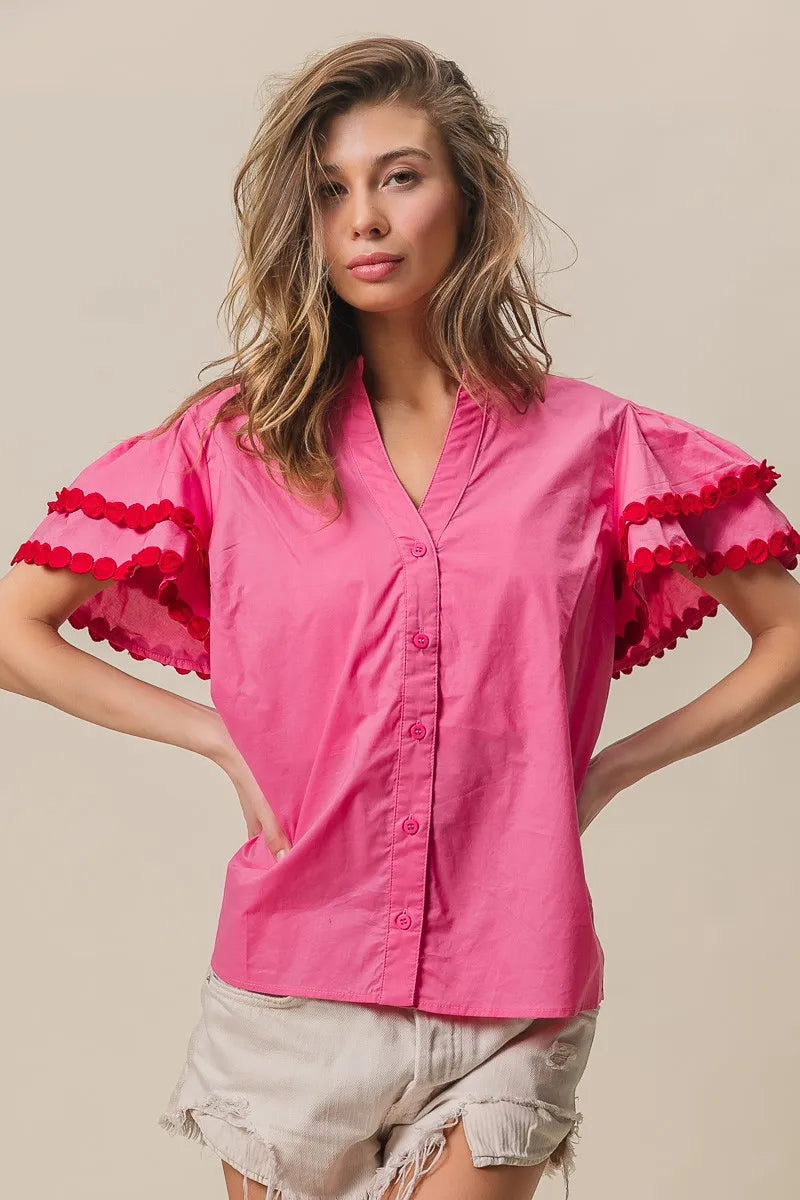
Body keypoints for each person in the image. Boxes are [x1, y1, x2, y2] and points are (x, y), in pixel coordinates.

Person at [2, 34, 800, 1200]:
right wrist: (213, 735)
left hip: (513, 982)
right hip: (290, 993)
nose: (363, 218)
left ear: (467, 195)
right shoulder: (229, 447)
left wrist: (606, 770)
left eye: (399, 176)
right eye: (330, 192)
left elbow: (786, 635)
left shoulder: (598, 445)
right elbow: (14, 627)